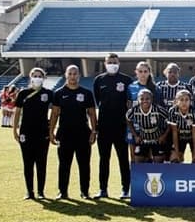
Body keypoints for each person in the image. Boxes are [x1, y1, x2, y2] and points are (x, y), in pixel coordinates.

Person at [49, 65, 97, 200]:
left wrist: (94, 131)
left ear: (79, 75)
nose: (72, 76)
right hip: (64, 134)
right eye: (70, 74)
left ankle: (85, 192)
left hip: (83, 134)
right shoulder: (59, 93)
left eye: (75, 74)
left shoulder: (87, 93)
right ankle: (62, 192)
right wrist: (51, 131)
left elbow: (92, 114)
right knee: (64, 164)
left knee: (84, 165)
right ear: (66, 75)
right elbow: (54, 114)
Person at [93, 53, 133, 199]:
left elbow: (130, 102)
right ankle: (103, 189)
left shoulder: (126, 80)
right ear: (105, 63)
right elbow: (98, 101)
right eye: (109, 62)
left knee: (123, 158)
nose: (112, 64)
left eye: (114, 62)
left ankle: (125, 190)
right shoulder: (99, 80)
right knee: (104, 159)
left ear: (119, 62)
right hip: (104, 127)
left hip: (121, 127)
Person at [13, 67, 53, 200]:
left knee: (41, 163)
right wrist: (15, 130)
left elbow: (56, 110)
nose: (37, 78)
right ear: (30, 77)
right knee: (28, 163)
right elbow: (17, 112)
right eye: (34, 76)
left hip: (42, 133)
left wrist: (51, 128)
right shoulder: (23, 93)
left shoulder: (48, 93)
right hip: (26, 132)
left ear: (44, 78)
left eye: (39, 76)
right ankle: (29, 192)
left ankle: (41, 192)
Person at [126, 89, 170, 164]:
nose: (145, 101)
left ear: (151, 99)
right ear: (138, 99)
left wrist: (164, 136)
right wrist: (136, 135)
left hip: (157, 139)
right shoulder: (134, 110)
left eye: (147, 98)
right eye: (142, 99)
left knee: (158, 163)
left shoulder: (158, 109)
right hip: (143, 140)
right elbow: (128, 119)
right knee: (138, 162)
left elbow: (170, 121)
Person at [166, 90, 195, 163]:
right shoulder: (172, 111)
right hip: (179, 137)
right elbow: (174, 132)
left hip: (192, 137)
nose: (184, 102)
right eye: (181, 100)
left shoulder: (194, 111)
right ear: (176, 101)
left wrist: (194, 153)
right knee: (175, 159)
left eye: (186, 100)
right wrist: (177, 152)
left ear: (190, 101)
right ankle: (180, 172)